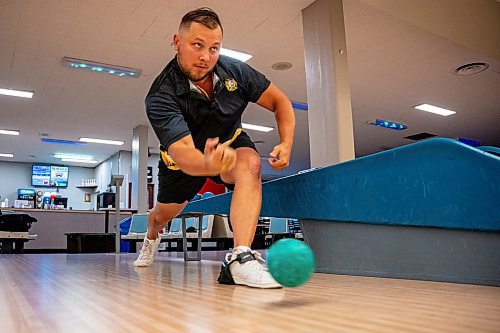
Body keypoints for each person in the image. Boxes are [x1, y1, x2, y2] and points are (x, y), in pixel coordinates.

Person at [135, 7, 295, 289]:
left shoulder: (236, 71)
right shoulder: (161, 94)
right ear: (177, 42)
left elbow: (280, 102)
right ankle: (150, 236)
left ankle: (240, 259)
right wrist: (210, 165)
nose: (205, 57)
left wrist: (286, 142)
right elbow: (184, 155)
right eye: (197, 45)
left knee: (250, 165)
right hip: (182, 166)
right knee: (162, 216)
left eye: (214, 48)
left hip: (230, 145)